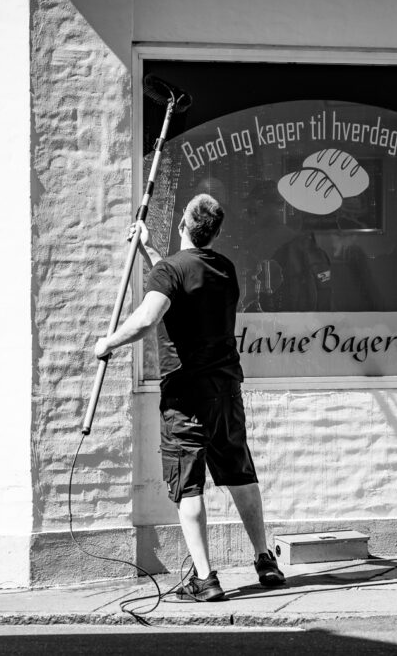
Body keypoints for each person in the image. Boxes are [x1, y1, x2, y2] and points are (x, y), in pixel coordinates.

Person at [93, 194, 285, 602]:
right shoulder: (225, 269)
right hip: (226, 392)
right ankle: (265, 558)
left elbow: (148, 316)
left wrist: (107, 343)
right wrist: (149, 250)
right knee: (240, 474)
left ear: (183, 222)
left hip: (186, 397)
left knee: (189, 486)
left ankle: (205, 579)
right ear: (215, 232)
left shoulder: (170, 271)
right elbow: (184, 277)